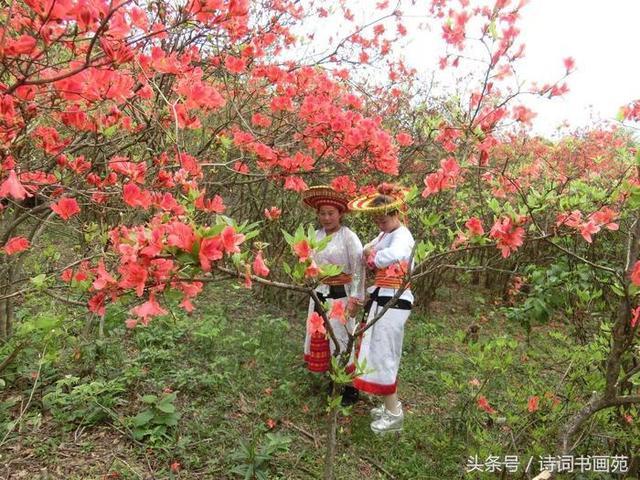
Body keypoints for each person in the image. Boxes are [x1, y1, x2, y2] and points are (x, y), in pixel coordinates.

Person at [347, 183, 414, 434]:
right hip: (382, 296)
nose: (381, 226)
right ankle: (389, 407)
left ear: (396, 214)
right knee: (376, 349)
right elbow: (367, 247)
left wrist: (374, 256)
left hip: (395, 298)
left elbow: (391, 255)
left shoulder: (403, 236)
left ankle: (395, 414)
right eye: (378, 222)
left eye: (384, 221)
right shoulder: (386, 234)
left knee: (386, 352)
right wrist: (371, 250)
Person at [301, 186, 365, 404]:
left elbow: (358, 269)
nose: (326, 218)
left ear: (340, 214)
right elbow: (308, 263)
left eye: (331, 213)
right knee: (322, 335)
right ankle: (332, 380)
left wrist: (355, 300)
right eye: (322, 213)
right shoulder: (316, 236)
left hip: (342, 296)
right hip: (319, 294)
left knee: (342, 337)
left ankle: (348, 387)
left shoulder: (349, 237)